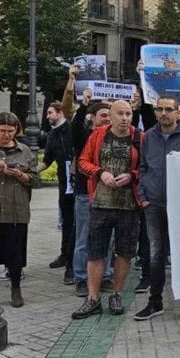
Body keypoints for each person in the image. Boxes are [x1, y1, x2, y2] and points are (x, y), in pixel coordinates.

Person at [134, 96, 180, 323]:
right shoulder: (149, 137)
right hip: (153, 204)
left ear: (178, 112)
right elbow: (142, 167)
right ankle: (155, 302)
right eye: (159, 109)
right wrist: (143, 197)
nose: (163, 113)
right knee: (156, 254)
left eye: (168, 109)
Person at [72, 100, 144, 319]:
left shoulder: (139, 137)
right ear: (110, 116)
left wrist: (132, 176)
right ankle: (93, 299)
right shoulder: (98, 135)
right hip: (101, 203)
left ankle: (116, 293)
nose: (124, 118)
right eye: (120, 114)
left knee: (124, 252)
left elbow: (147, 166)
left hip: (128, 205)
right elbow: (82, 161)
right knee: (95, 251)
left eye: (128, 114)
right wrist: (100, 172)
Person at [63, 70, 114, 297]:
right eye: (103, 115)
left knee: (108, 238)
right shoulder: (83, 135)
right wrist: (83, 106)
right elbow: (73, 129)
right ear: (93, 118)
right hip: (86, 194)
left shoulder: (116, 135)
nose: (107, 118)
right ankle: (82, 278)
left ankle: (105, 276)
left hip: (111, 194)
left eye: (109, 115)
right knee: (84, 237)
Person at [0, 113, 38, 307]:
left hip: (16, 209)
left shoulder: (24, 150)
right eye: (2, 131)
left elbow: (34, 178)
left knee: (15, 253)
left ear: (16, 130)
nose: (6, 135)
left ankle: (16, 289)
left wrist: (19, 174)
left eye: (10, 131)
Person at [41, 101, 76, 285]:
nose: (47, 116)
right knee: (67, 221)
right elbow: (46, 160)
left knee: (78, 222)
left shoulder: (72, 128)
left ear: (60, 113)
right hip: (64, 185)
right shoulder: (52, 135)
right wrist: (30, 170)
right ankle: (65, 254)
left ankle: (72, 260)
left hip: (79, 183)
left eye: (50, 112)